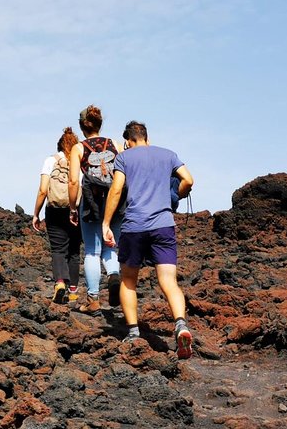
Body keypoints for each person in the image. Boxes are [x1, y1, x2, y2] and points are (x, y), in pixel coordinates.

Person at [102, 120, 195, 359]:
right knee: (169, 281)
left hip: (134, 226)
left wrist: (106, 223)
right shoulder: (168, 155)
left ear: (128, 141)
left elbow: (116, 189)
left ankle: (133, 332)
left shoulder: (124, 157)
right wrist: (175, 195)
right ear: (147, 138)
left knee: (129, 280)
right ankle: (181, 325)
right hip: (163, 226)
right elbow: (189, 180)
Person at [68, 105, 123, 315]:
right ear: (100, 124)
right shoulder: (115, 145)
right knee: (111, 246)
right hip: (114, 201)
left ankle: (93, 300)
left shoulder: (79, 148)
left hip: (91, 203)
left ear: (82, 126)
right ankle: (114, 275)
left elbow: (74, 181)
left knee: (92, 250)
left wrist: (73, 208)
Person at [32, 127, 83, 304]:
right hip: (75, 209)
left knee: (58, 249)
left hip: (54, 209)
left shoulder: (50, 160)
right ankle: (74, 292)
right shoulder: (80, 161)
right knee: (74, 250)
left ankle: (60, 283)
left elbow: (43, 190)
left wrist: (36, 214)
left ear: (59, 145)